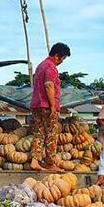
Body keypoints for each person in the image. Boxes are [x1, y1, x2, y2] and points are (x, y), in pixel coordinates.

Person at [29, 42, 71, 171]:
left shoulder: (41, 66)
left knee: (39, 133)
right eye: (62, 59)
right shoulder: (51, 67)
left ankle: (35, 161)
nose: (62, 62)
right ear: (57, 56)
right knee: (52, 134)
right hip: (47, 106)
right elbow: (49, 85)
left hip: (37, 105)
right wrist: (53, 106)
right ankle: (50, 163)